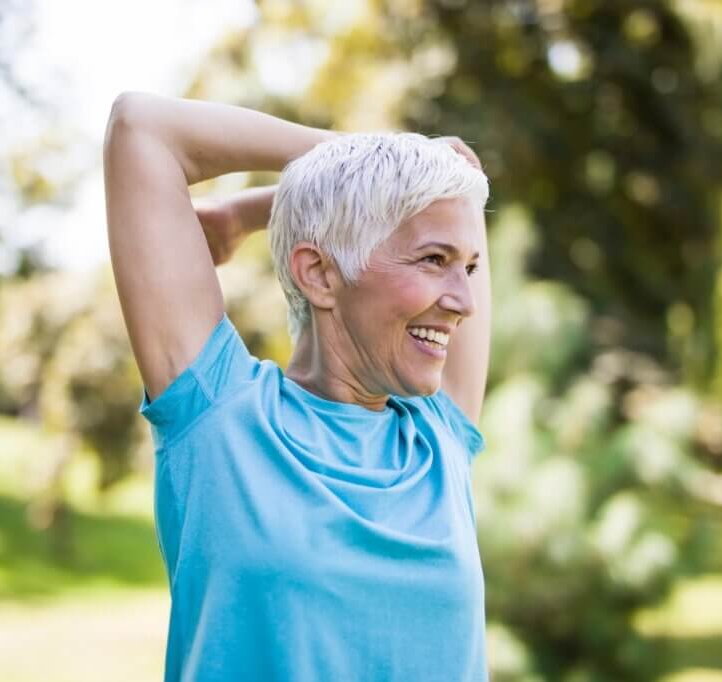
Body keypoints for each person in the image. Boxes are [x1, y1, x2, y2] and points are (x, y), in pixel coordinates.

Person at [103, 92, 492, 682]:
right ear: (319, 274)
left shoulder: (441, 435)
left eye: (467, 267)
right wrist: (363, 163)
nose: (463, 301)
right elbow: (141, 127)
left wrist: (252, 211)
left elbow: (460, 194)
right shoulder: (220, 419)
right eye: (434, 259)